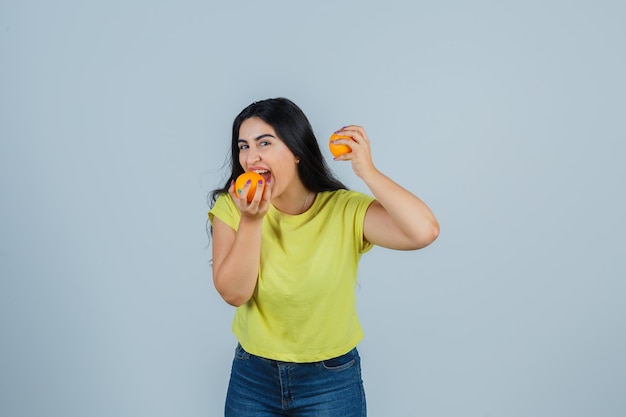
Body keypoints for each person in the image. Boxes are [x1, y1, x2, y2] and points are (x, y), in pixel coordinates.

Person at [208, 97, 439, 417]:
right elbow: (234, 293)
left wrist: (367, 171)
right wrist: (252, 221)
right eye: (243, 146)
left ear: (297, 150)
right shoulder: (234, 208)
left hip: (330, 381)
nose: (251, 156)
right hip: (254, 377)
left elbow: (424, 231)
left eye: (264, 142)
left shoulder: (345, 209)